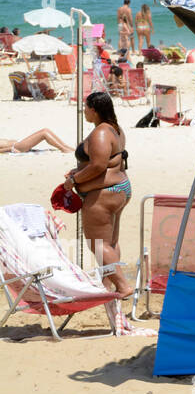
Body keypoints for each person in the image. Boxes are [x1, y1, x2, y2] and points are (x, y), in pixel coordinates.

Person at [64, 92, 133, 298]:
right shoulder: (115, 129)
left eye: (85, 107)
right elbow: (107, 162)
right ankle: (107, 284)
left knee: (98, 243)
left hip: (104, 193)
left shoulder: (101, 132)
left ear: (94, 109)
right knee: (110, 243)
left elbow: (98, 165)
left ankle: (122, 286)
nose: (83, 111)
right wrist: (79, 172)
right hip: (119, 190)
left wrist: (74, 181)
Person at [1, 129, 74, 154]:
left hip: (18, 144)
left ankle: (66, 147)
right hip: (17, 147)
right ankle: (63, 148)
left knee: (46, 130)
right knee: (44, 133)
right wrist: (10, 149)